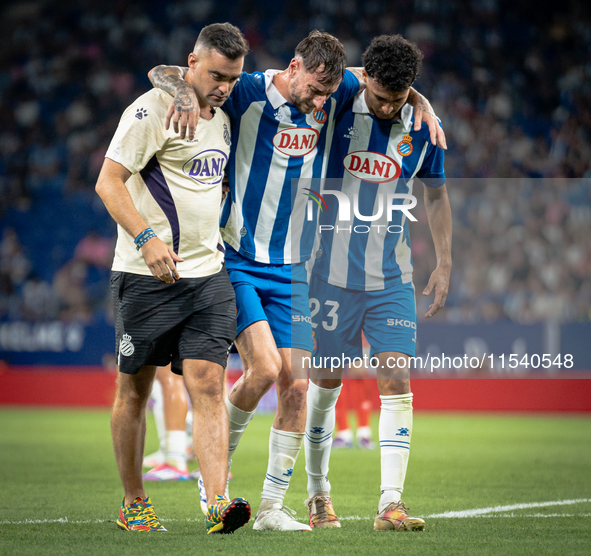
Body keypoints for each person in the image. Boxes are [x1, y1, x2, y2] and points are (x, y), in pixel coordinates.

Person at [149, 29, 445, 532]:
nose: (320, 102)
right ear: (293, 67)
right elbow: (173, 73)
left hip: (295, 267)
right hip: (238, 258)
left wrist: (423, 101)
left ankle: (268, 509)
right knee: (263, 371)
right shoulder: (247, 92)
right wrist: (179, 90)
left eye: (329, 95)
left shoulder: (337, 94)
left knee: (298, 386)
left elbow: (381, 83)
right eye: (314, 90)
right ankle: (212, 479)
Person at [95, 23, 251, 534]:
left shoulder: (222, 118)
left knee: (208, 383)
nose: (224, 87)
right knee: (135, 390)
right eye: (215, 75)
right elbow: (108, 181)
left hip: (208, 276)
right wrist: (145, 238)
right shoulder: (148, 110)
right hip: (147, 277)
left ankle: (218, 501)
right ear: (192, 62)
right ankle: (134, 501)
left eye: (232, 78)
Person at [303, 35, 451, 531]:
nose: (389, 106)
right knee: (326, 383)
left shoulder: (423, 127)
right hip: (328, 276)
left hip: (391, 277)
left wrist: (445, 262)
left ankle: (390, 503)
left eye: (400, 96)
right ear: (366, 80)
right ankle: (317, 495)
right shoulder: (343, 97)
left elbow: (435, 195)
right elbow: (320, 70)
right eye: (381, 96)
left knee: (396, 379)